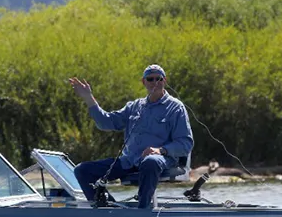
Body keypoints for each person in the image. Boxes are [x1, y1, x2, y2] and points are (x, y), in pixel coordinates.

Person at [69, 64, 194, 209]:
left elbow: (185, 143)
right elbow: (106, 122)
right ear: (144, 82)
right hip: (129, 161)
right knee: (82, 170)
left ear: (164, 81)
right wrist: (88, 98)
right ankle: (108, 208)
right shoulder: (134, 106)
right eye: (150, 79)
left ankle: (143, 209)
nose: (155, 83)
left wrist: (160, 150)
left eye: (159, 79)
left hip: (161, 160)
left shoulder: (176, 108)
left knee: (150, 161)